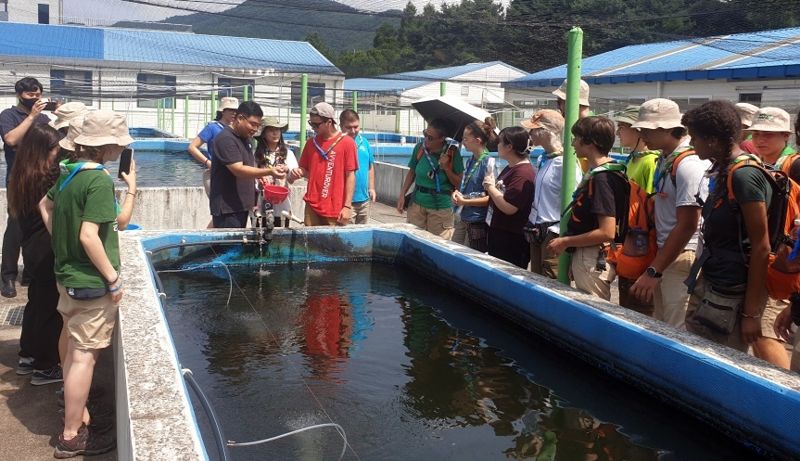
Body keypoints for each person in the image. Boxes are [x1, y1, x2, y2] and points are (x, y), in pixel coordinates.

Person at [39, 110, 134, 457]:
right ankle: (70, 436)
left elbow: (44, 206)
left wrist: (61, 246)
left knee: (73, 347)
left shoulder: (68, 173)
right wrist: (113, 279)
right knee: (83, 357)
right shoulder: (98, 181)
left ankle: (79, 413)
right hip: (91, 283)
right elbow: (90, 235)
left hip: (66, 277)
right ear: (108, 146)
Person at [681, 100, 770, 352]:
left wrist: (751, 314)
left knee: (719, 358)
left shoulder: (744, 176)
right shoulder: (722, 170)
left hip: (731, 294)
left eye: (694, 137)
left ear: (712, 139)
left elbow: (761, 247)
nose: (690, 144)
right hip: (712, 282)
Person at [629, 98, 710, 328]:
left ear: (666, 129)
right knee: (663, 325)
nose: (642, 134)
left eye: (647, 129)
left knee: (678, 328)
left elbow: (688, 225)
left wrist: (654, 270)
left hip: (683, 254)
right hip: (668, 253)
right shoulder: (666, 159)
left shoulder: (688, 165)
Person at [8, 124, 63, 385]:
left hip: (31, 248)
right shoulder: (47, 177)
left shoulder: (21, 174)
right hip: (46, 249)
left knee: (36, 304)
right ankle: (45, 367)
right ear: (44, 151)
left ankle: (27, 356)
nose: (58, 154)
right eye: (55, 150)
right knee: (50, 309)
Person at [548, 117, 627, 300]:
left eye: (576, 137)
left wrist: (566, 241)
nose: (573, 143)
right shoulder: (614, 171)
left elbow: (607, 231)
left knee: (594, 309)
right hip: (591, 254)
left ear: (590, 142)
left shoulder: (602, 178)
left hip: (593, 257)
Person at [745, 106, 796, 369]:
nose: (761, 139)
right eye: (757, 134)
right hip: (773, 261)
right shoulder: (767, 165)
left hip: (786, 264)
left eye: (770, 134)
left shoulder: (793, 165)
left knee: (766, 334)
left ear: (786, 136)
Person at [0, 77, 53, 298]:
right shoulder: (8, 115)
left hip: (42, 180)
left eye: (38, 94)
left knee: (39, 228)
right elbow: (11, 139)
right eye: (30, 95)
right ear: (19, 95)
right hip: (18, 180)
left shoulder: (45, 118)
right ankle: (8, 277)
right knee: (16, 228)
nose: (35, 98)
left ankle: (31, 271)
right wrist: (31, 117)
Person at [613, 105, 660, 315]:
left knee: (639, 309)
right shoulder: (631, 159)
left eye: (622, 127)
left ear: (637, 130)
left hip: (640, 248)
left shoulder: (650, 162)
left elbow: (649, 213)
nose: (618, 132)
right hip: (627, 243)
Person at [523, 109, 580, 278]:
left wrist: (561, 234)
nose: (530, 133)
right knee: (536, 277)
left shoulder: (565, 164)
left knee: (551, 278)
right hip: (537, 228)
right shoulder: (543, 158)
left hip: (553, 231)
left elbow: (574, 200)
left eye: (533, 129)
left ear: (546, 131)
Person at [210, 101, 285, 228]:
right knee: (229, 246)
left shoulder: (244, 139)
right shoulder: (226, 139)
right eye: (253, 124)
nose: (255, 129)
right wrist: (269, 171)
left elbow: (247, 166)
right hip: (228, 208)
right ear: (239, 118)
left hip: (241, 206)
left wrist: (258, 176)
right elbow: (238, 169)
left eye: (258, 126)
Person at [290, 102, 358, 226]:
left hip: (335, 210)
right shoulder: (311, 143)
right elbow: (305, 170)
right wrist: (298, 172)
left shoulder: (347, 143)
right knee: (310, 244)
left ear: (329, 122)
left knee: (332, 244)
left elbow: (350, 176)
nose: (313, 127)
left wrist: (347, 206)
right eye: (311, 123)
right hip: (312, 207)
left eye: (316, 124)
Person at [396, 118, 464, 239]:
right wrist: (402, 195)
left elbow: (459, 184)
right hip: (417, 205)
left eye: (430, 138)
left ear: (442, 138)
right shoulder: (420, 148)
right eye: (425, 134)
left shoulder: (452, 153)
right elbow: (412, 173)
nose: (426, 139)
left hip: (440, 209)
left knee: (438, 246)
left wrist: (447, 168)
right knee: (414, 242)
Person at [484, 126, 535, 268]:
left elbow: (510, 207)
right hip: (500, 233)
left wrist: (490, 187)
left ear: (509, 147)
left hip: (512, 239)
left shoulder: (523, 173)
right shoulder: (511, 168)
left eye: (500, 142)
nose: (497, 145)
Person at [451, 121, 495, 252]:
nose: (463, 141)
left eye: (466, 138)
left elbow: (490, 199)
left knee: (470, 256)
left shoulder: (489, 163)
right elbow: (466, 184)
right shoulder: (471, 160)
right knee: (453, 251)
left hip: (477, 221)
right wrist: (457, 192)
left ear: (477, 140)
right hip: (463, 216)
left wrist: (465, 201)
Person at [187, 96, 239, 197]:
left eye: (236, 110)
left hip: (233, 174)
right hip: (216, 174)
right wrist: (208, 162)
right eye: (230, 110)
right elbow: (192, 147)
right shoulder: (212, 128)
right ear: (222, 111)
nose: (234, 113)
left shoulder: (236, 130)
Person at [254, 116, 298, 228]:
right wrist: (259, 181)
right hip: (262, 203)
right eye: (271, 130)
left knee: (282, 237)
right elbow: (251, 176)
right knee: (263, 236)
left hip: (283, 205)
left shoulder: (288, 153)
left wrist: (288, 170)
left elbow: (293, 177)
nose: (275, 133)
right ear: (263, 134)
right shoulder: (256, 155)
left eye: (277, 130)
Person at [340, 109, 376, 224]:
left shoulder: (364, 142)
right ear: (341, 126)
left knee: (362, 236)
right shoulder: (339, 144)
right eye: (349, 127)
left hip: (364, 201)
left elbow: (370, 167)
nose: (353, 130)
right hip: (346, 202)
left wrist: (372, 188)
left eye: (356, 127)